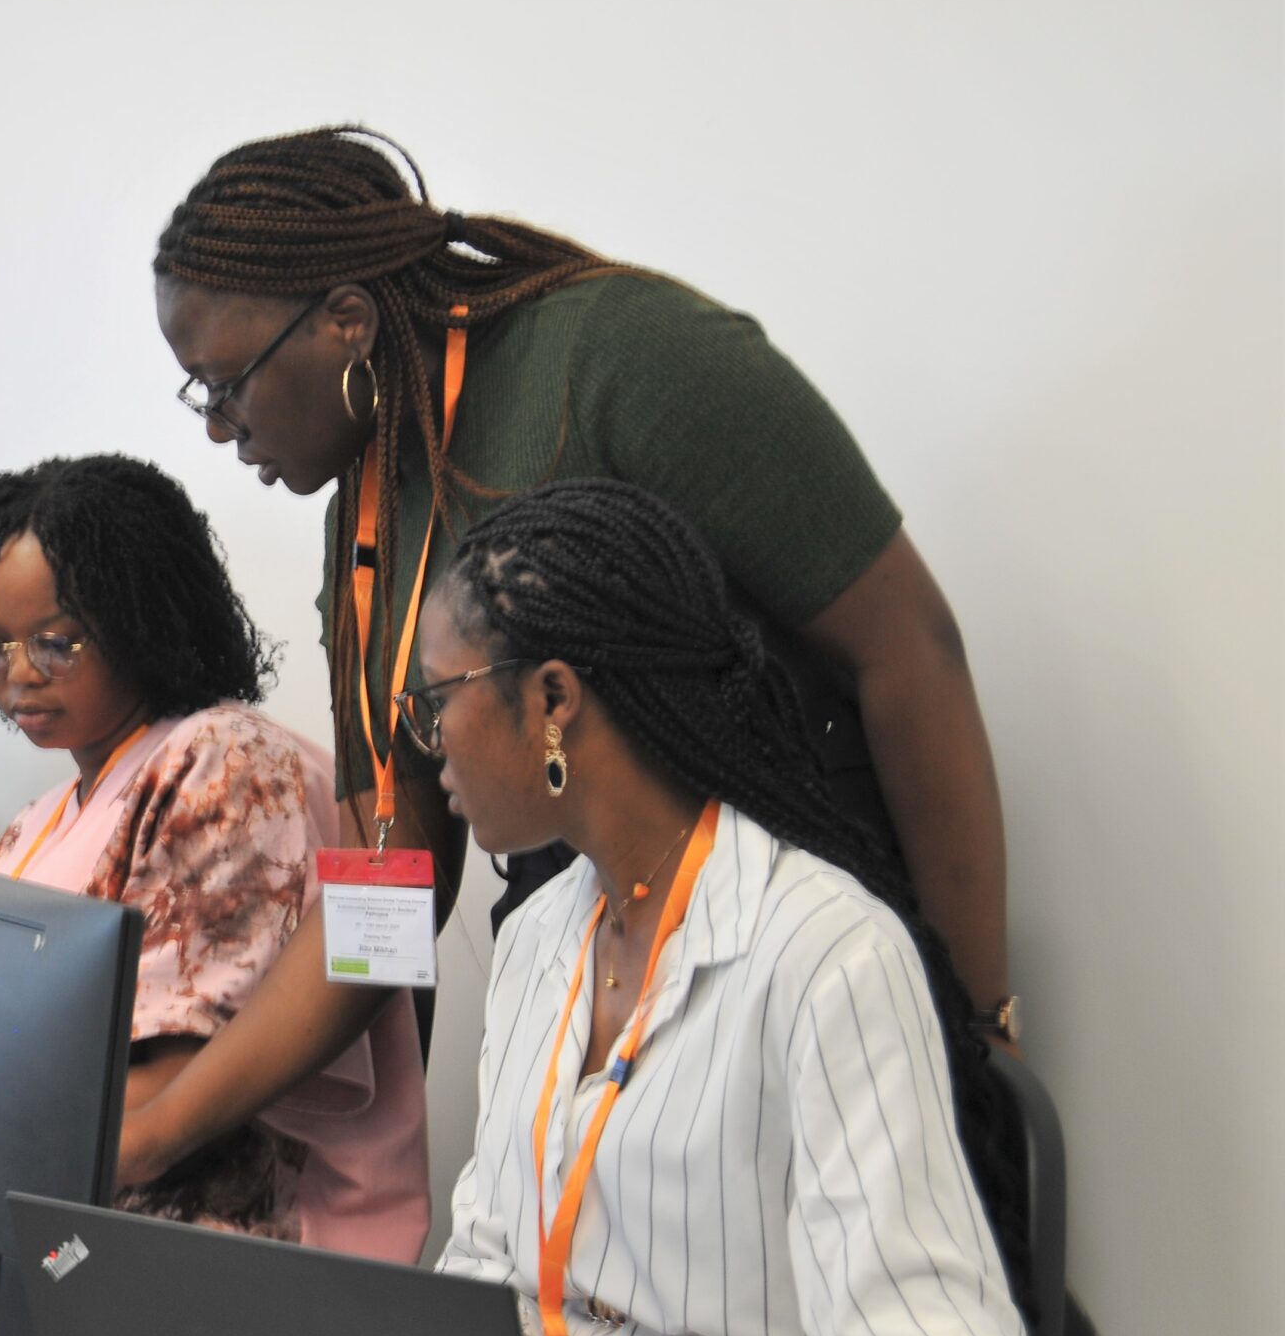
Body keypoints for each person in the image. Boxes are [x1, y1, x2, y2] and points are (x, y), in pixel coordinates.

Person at [133, 125, 1023, 1194]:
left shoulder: (624, 363)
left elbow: (909, 654)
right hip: (581, 968)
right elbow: (391, 889)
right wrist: (169, 1127)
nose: (220, 428)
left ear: (347, 320)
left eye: (225, 383)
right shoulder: (367, 509)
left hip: (776, 951)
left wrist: (972, 1034)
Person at [416, 480, 1053, 1336]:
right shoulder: (544, 932)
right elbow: (492, 1242)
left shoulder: (822, 952)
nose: (426, 739)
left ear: (552, 699)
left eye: (436, 698)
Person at [0, 454, 428, 1260]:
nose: (18, 674)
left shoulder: (225, 763)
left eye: (56, 643)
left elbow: (181, 1075)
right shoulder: (37, 824)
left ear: (140, 619)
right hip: (72, 1213)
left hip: (229, 1242)